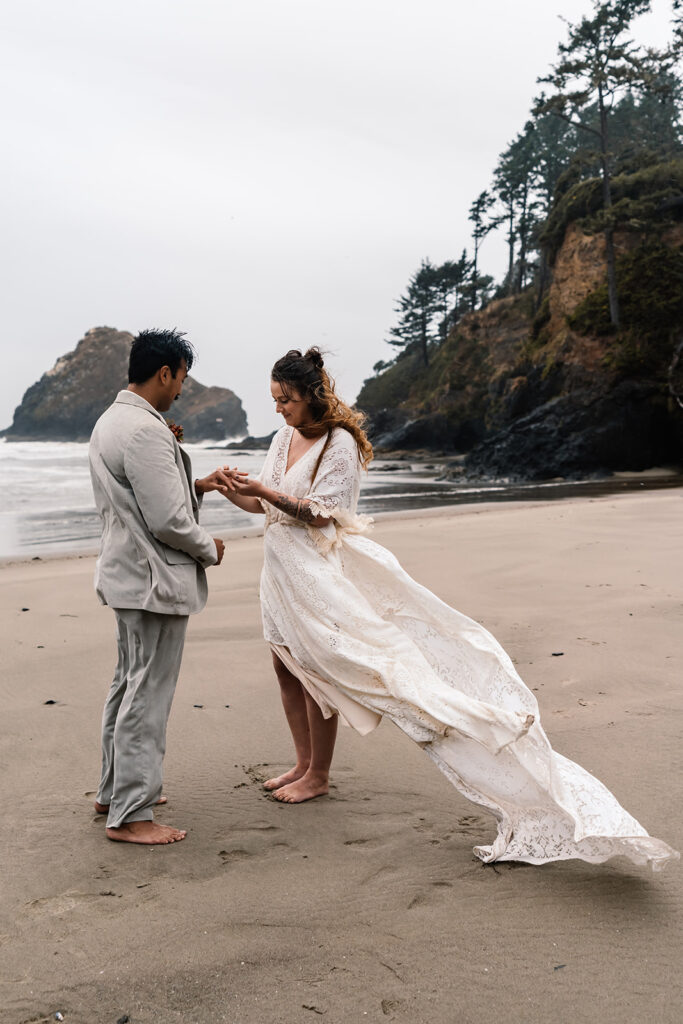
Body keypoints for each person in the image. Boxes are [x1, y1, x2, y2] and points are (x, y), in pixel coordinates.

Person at [221, 347, 678, 869]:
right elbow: (261, 503)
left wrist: (266, 492)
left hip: (320, 575)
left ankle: (319, 776)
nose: (279, 410)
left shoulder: (339, 443)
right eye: (275, 400)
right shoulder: (282, 438)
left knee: (319, 675)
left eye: (287, 400)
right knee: (285, 667)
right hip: (278, 573)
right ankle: (301, 765)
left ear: (313, 395)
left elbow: (326, 515)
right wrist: (231, 490)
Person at [89, 328, 238, 845]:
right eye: (181, 379)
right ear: (165, 372)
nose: (181, 391)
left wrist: (195, 482)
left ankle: (114, 791)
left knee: (127, 684)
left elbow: (139, 497)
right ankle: (132, 814)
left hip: (125, 575)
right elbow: (169, 521)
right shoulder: (145, 431)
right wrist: (208, 549)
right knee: (147, 694)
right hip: (152, 578)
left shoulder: (112, 420)